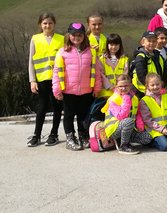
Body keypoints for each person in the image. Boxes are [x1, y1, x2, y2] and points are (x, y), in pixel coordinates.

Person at [52, 22, 103, 150]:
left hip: (86, 91)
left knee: (83, 115)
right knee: (69, 115)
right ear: (68, 36)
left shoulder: (91, 52)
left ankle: (82, 136)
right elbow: (56, 73)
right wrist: (57, 90)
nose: (76, 38)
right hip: (68, 91)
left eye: (80, 35)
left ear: (84, 36)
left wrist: (97, 88)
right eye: (73, 35)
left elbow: (96, 71)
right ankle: (70, 138)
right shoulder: (63, 52)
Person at [27, 12, 64, 147]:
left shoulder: (61, 39)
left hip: (57, 80)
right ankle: (36, 135)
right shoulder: (35, 39)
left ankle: (54, 134)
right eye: (45, 23)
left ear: (54, 24)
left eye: (50, 23)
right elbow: (31, 61)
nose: (47, 25)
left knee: (57, 107)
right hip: (42, 79)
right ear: (40, 25)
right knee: (41, 107)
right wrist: (32, 80)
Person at [101, 74, 152, 155]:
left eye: (126, 86)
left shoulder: (134, 98)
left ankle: (125, 139)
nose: (123, 88)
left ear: (130, 85)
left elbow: (137, 113)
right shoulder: (113, 99)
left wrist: (140, 126)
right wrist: (126, 99)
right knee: (128, 121)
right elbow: (122, 116)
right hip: (113, 130)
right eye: (120, 86)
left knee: (147, 137)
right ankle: (123, 146)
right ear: (116, 86)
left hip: (129, 129)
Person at [139, 73, 167, 152]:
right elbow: (148, 120)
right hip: (155, 131)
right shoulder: (144, 100)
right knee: (165, 147)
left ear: (161, 84)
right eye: (152, 85)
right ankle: (150, 142)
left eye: (157, 84)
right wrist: (162, 130)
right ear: (147, 86)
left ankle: (166, 138)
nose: (155, 87)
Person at [131, 31, 167, 98]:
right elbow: (141, 76)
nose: (151, 43)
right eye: (149, 41)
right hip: (142, 91)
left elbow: (164, 74)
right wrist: (150, 89)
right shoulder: (141, 57)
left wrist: (162, 87)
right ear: (143, 42)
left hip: (156, 90)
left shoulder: (160, 57)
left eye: (154, 41)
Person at [97, 33, 129, 100]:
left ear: (120, 45)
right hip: (106, 93)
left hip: (120, 92)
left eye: (116, 44)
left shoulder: (124, 59)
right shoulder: (102, 59)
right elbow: (101, 74)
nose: (114, 47)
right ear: (107, 45)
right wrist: (110, 86)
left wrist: (119, 86)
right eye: (111, 44)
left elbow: (125, 74)